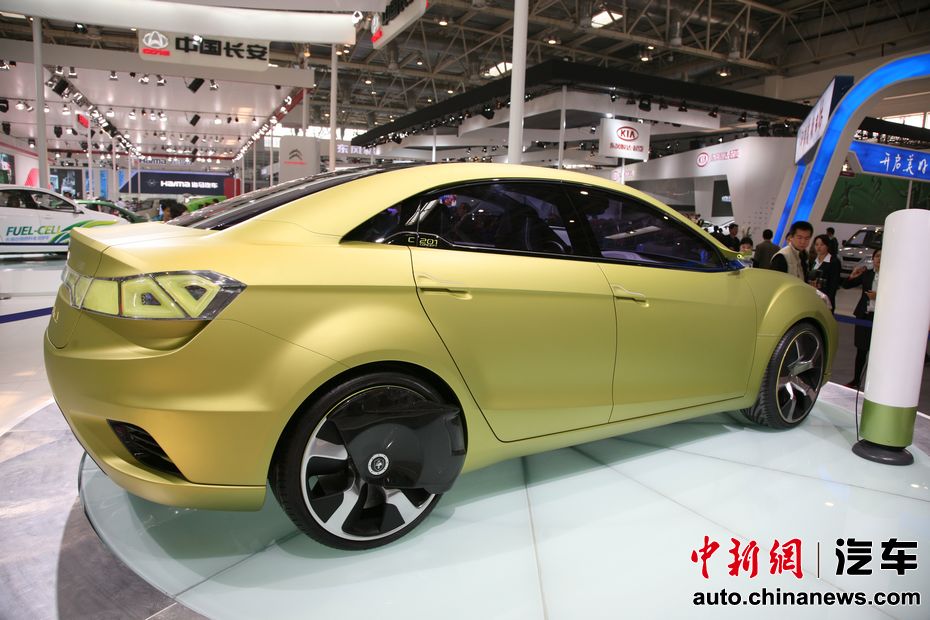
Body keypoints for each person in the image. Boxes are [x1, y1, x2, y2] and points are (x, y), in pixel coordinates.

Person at [841, 249, 881, 389]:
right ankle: (856, 380)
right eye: (877, 256)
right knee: (861, 350)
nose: (879, 259)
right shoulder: (867, 274)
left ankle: (875, 384)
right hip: (864, 316)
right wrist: (852, 276)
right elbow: (846, 286)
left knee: (877, 352)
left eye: (882, 256)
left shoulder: (891, 276)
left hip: (880, 318)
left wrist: (878, 296)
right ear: (873, 259)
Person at [808, 233, 841, 311]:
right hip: (811, 296)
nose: (818, 247)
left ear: (827, 246)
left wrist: (828, 300)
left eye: (822, 245)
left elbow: (834, 284)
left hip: (825, 298)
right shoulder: (813, 260)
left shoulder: (834, 262)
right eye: (816, 244)